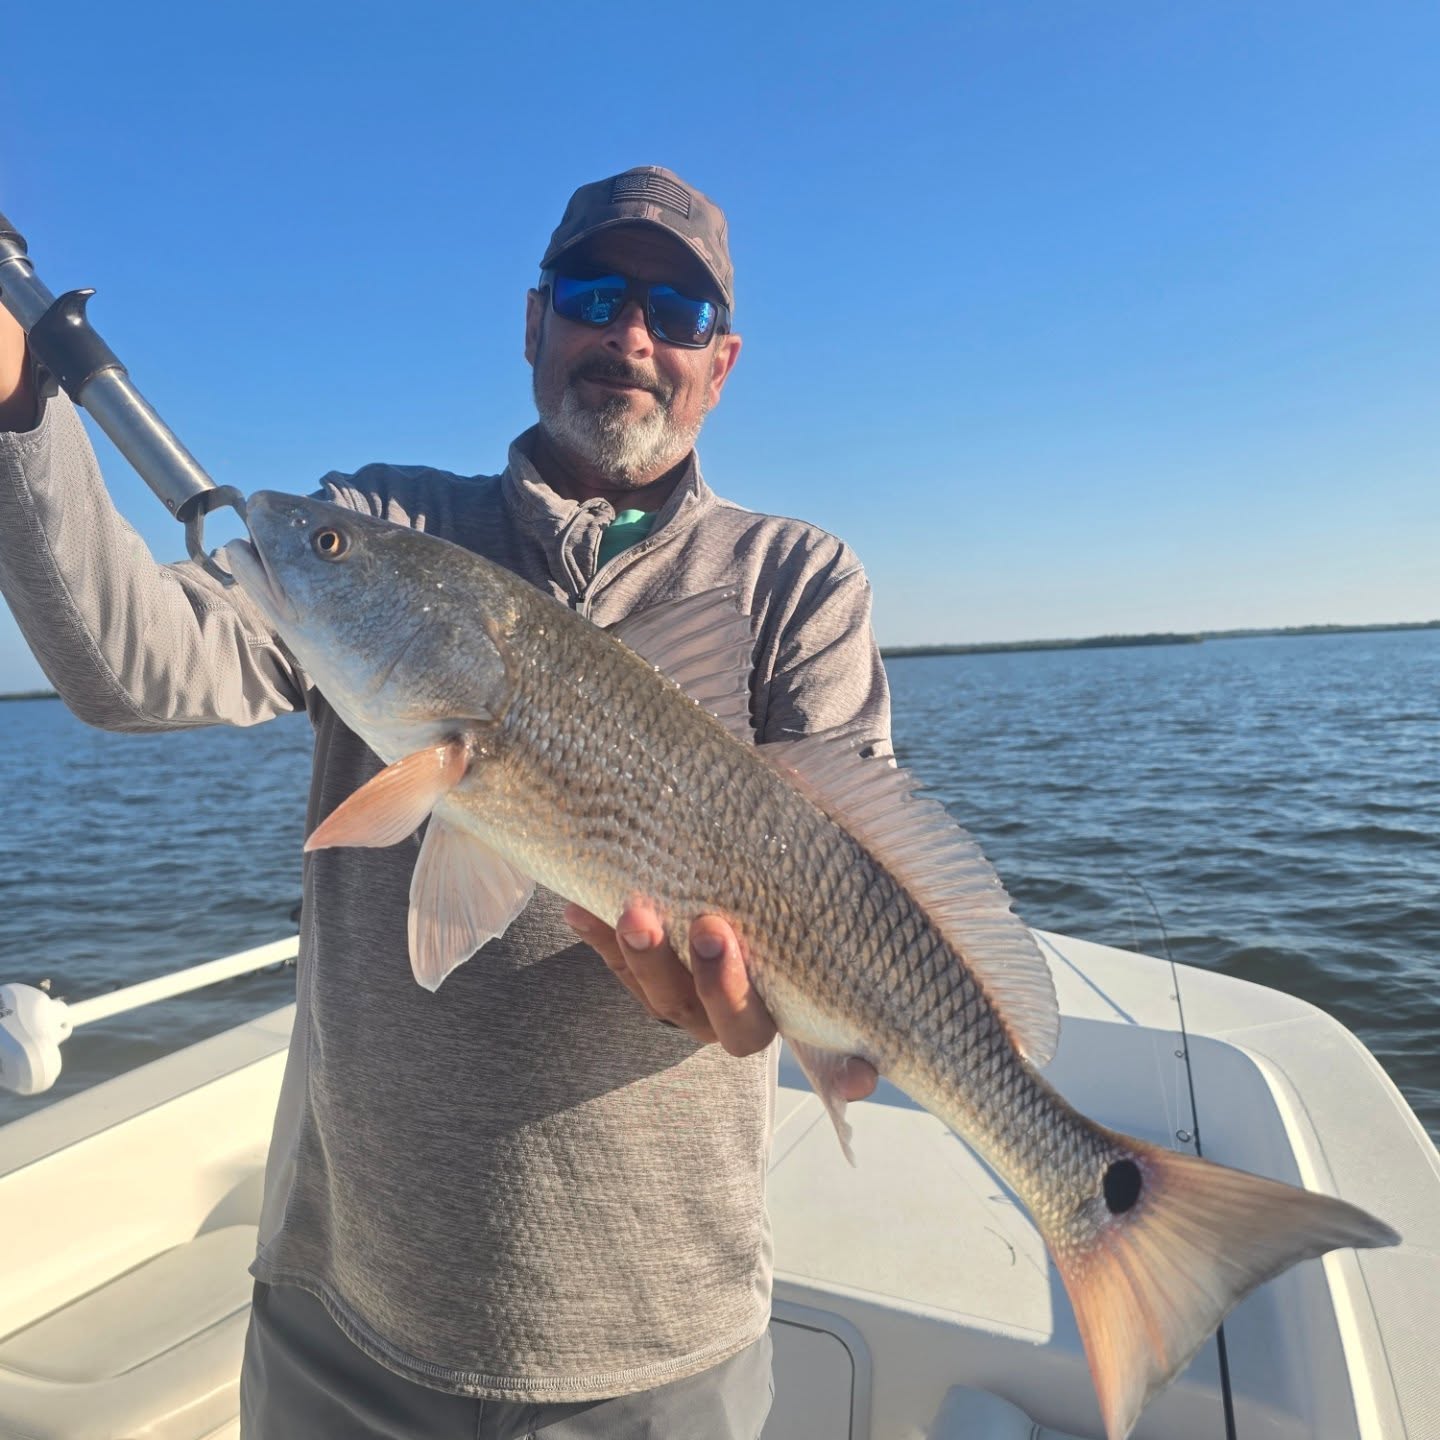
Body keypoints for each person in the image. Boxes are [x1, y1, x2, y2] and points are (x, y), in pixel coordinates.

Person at [0, 166, 887, 1438]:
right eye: (594, 294)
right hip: (343, 1322)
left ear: (722, 362)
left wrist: (777, 1009)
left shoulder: (796, 580)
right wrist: (18, 392)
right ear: (535, 325)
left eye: (676, 313)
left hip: (655, 1346)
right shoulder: (375, 525)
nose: (630, 337)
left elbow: (858, 878)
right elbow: (128, 659)